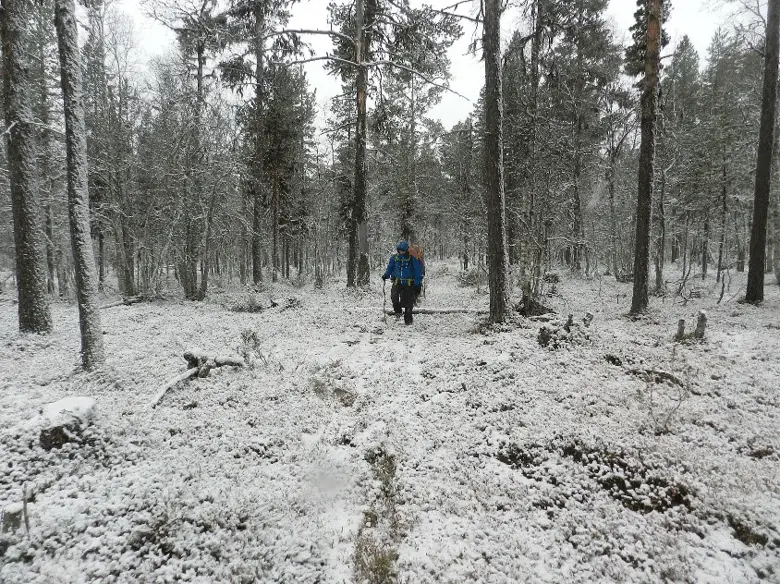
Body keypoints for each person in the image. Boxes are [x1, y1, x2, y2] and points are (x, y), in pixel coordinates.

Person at [382, 240, 422, 325]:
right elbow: (390, 267)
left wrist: (417, 282)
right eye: (400, 250)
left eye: (403, 250)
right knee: (394, 297)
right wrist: (386, 275)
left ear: (406, 250)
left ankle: (408, 320)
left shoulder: (412, 259)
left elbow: (417, 270)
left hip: (409, 283)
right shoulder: (394, 258)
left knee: (409, 302)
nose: (401, 252)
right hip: (397, 282)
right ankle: (398, 313)